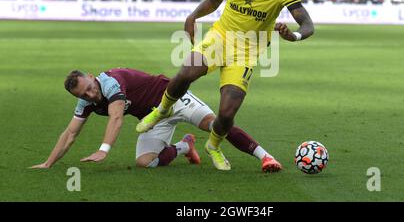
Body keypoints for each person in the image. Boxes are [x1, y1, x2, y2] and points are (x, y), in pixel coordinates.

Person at [136, 0, 314, 170]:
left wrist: (293, 35)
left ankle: (213, 145)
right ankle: (162, 110)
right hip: (220, 38)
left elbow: (307, 24)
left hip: (247, 52)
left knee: (227, 114)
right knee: (186, 72)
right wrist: (192, 16)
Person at [30, 68, 282, 172]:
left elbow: (116, 118)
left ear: (91, 77)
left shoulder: (110, 82)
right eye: (83, 94)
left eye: (89, 87)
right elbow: (70, 133)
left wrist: (103, 150)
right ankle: (185, 146)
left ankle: (265, 157)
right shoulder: (85, 102)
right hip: (153, 119)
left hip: (172, 99)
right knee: (144, 162)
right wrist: (48, 163)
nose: (90, 94)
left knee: (217, 126)